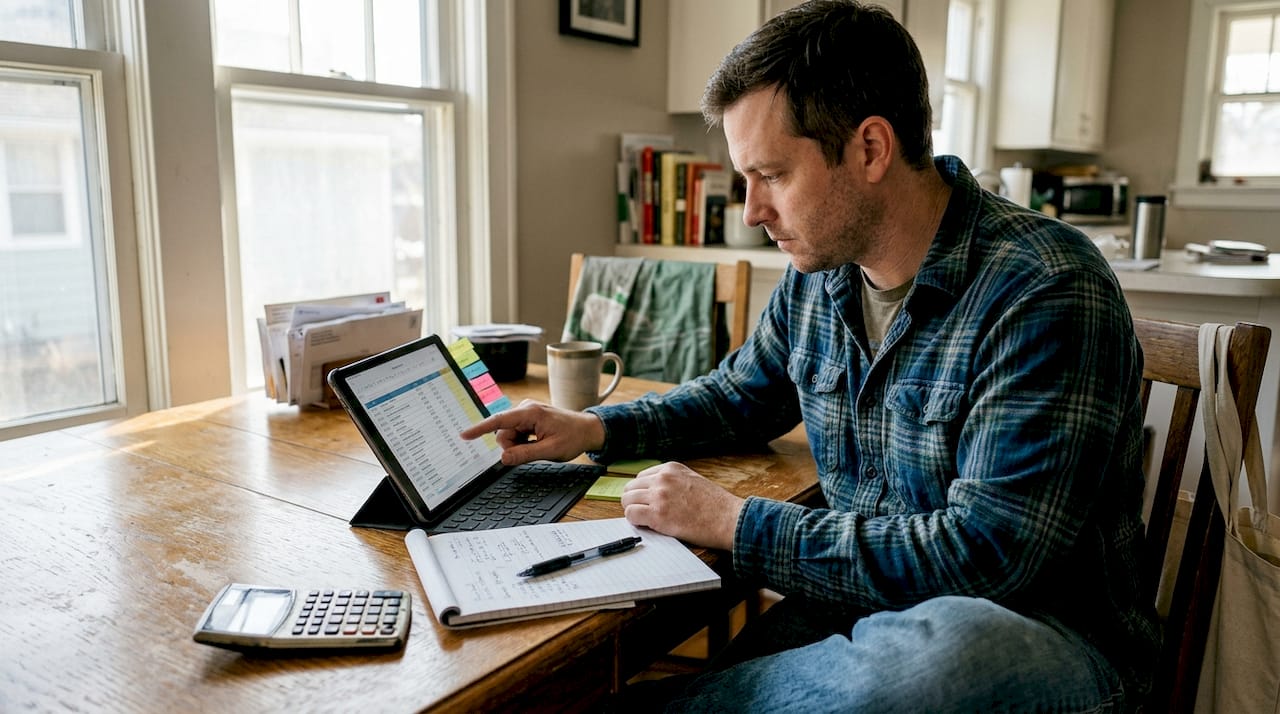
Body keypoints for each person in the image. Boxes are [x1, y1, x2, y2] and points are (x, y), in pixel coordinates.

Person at [462, 1, 1158, 710]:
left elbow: (987, 560)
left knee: (947, 655)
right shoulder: (819, 278)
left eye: (771, 175)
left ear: (870, 149)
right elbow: (738, 397)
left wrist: (734, 521)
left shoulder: (1045, 287)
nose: (751, 210)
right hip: (853, 615)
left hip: (1038, 640)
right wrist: (597, 430)